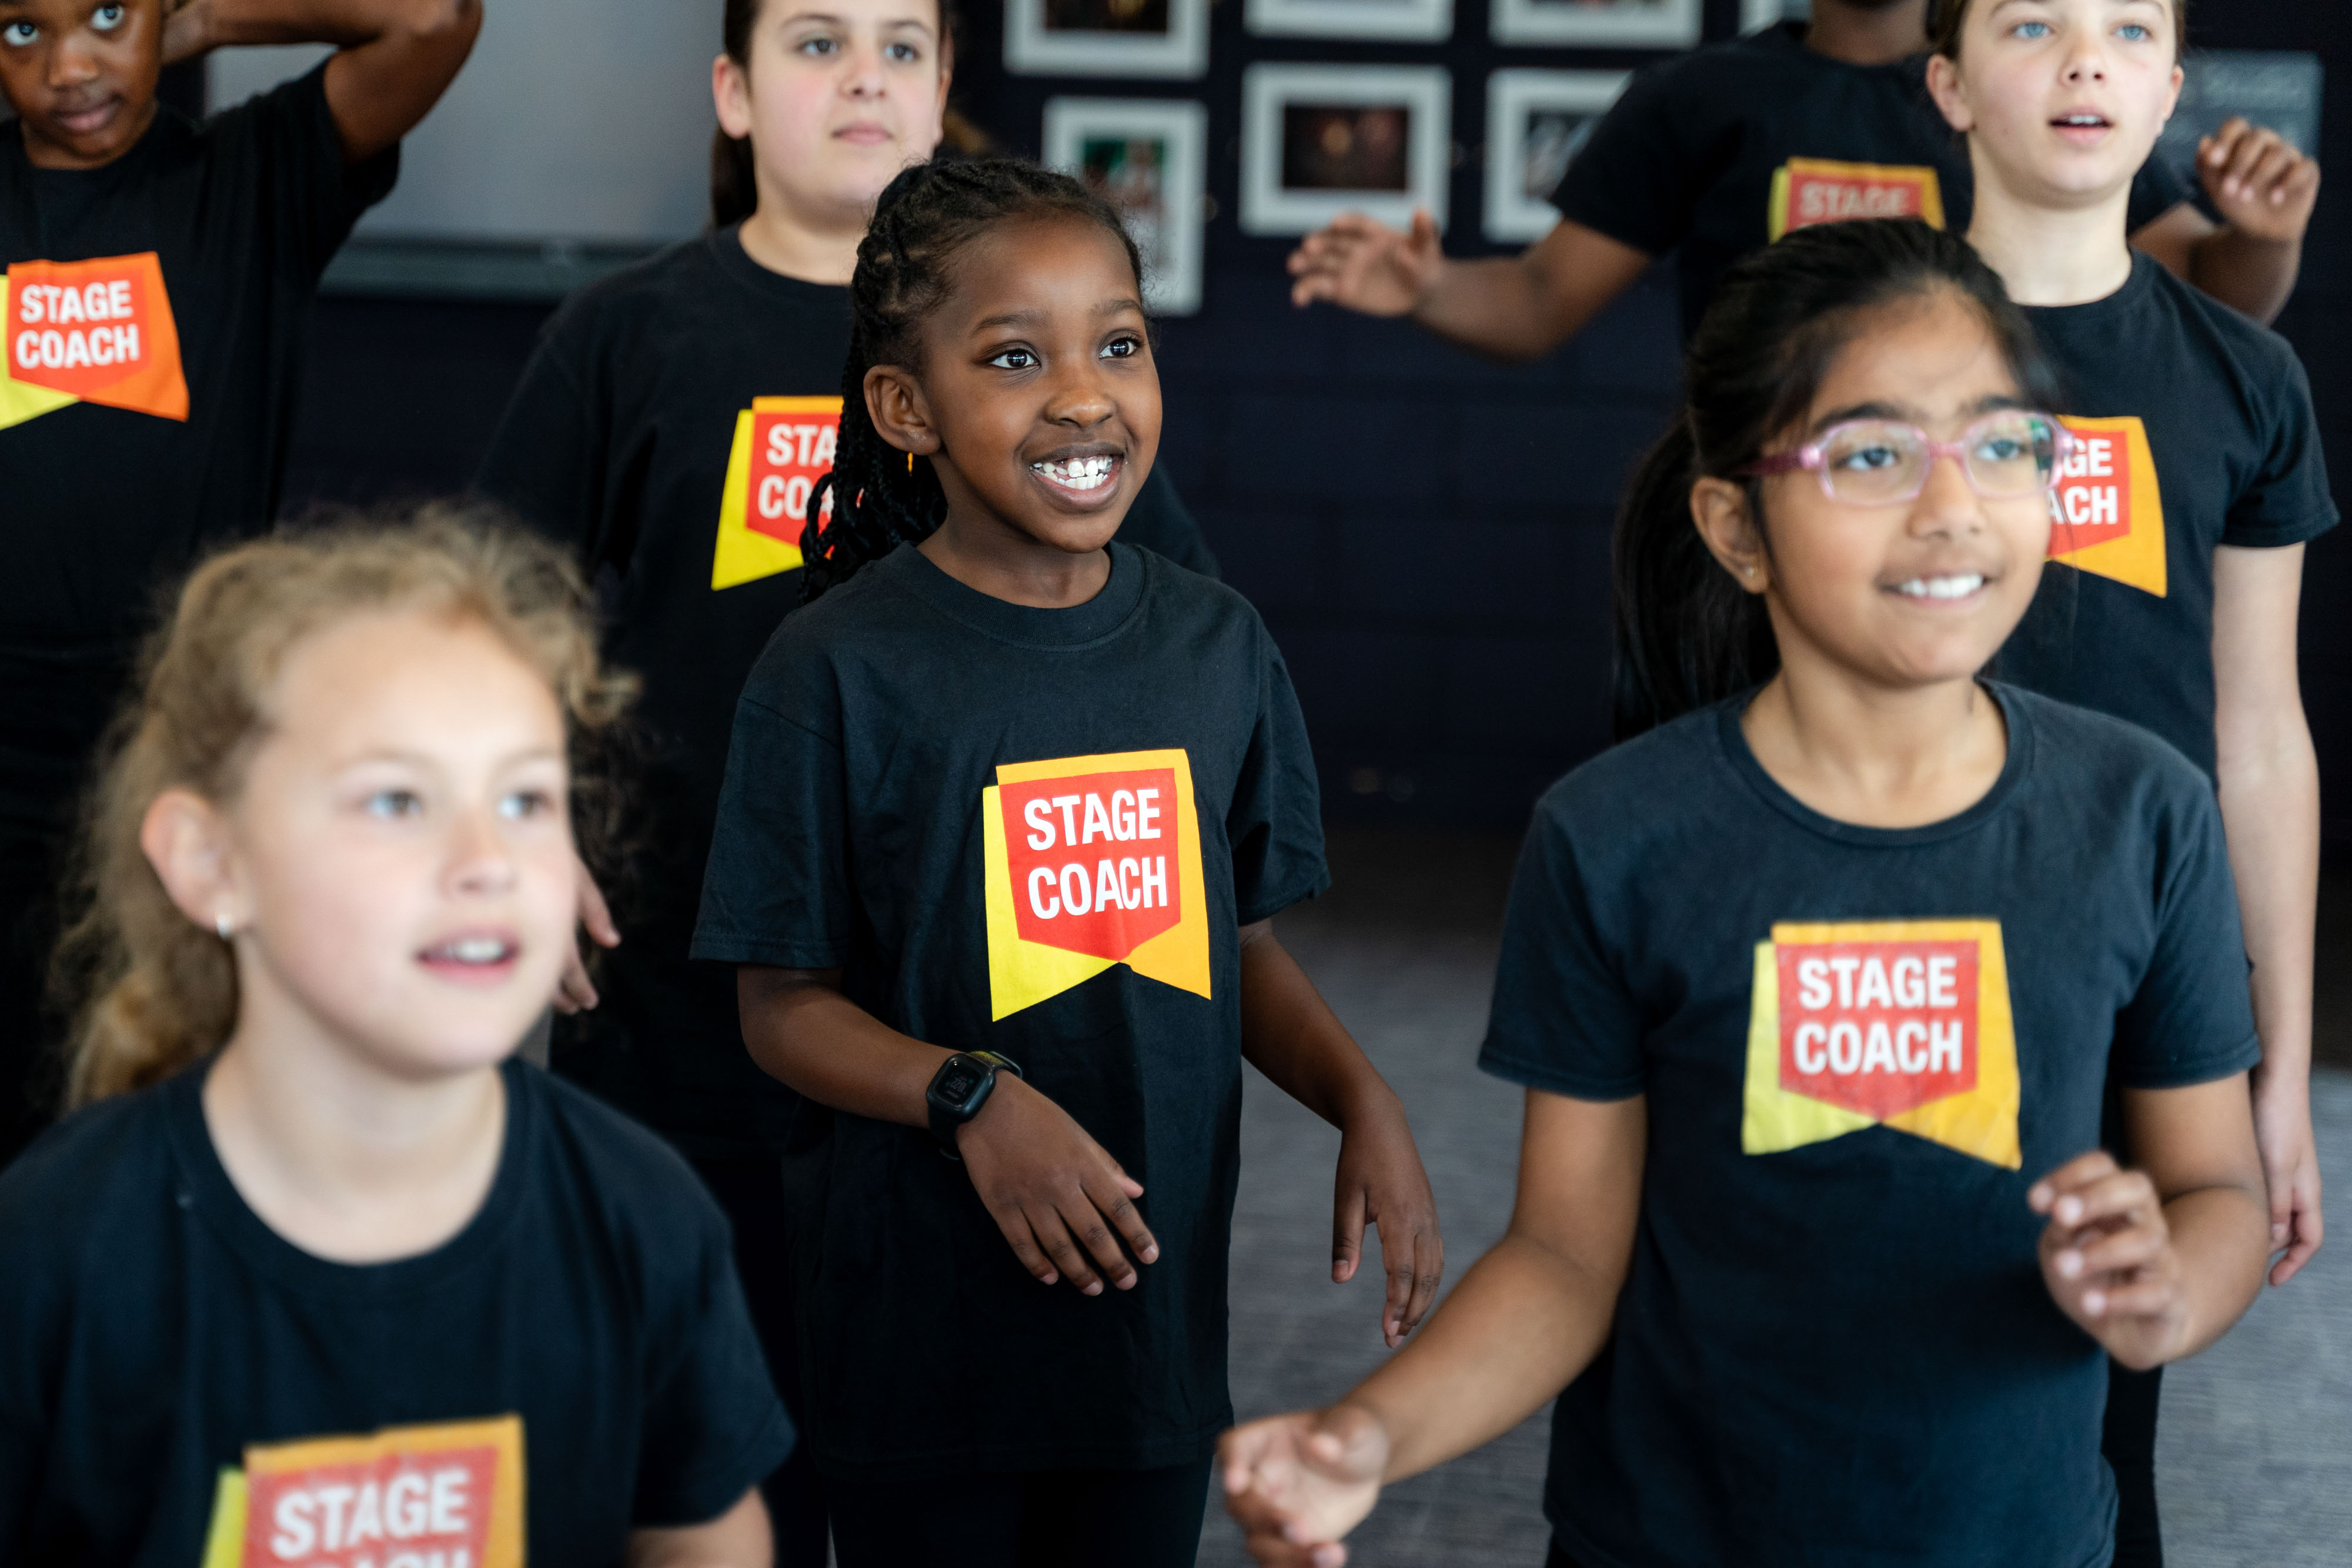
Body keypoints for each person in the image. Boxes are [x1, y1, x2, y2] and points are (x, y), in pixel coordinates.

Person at [1218, 218, 2273, 1568]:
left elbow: (2214, 1188)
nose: (1951, 506)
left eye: (2004, 444)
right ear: (1734, 526)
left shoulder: (2142, 815)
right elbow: (1562, 1256)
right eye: (1871, 454)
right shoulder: (1613, 837)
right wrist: (1365, 1434)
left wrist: (2168, 1289)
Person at [472, 8, 1217, 1551]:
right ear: (734, 92)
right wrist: (513, 825)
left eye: (900, 46)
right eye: (817, 43)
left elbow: (1169, 646)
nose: (864, 76)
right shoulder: (626, 333)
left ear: (945, 94)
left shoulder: (1035, 365)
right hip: (681, 1003)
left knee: (923, 1474)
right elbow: (474, 618)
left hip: (954, 1033)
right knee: (707, 1473)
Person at [689, 156, 1441, 1568]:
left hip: (1147, 1344)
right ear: (905, 408)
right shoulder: (832, 668)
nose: (1085, 395)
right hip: (923, 1349)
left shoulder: (1216, 645)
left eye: (1119, 344)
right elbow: (778, 1007)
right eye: (1014, 357)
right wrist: (970, 1096)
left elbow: (1239, 943)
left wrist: (1362, 1094)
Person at [0, 514, 794, 1566]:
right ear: (209, 863)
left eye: (524, 798)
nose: (486, 858)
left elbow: (705, 1537)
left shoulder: (638, 1215)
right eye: (395, 800)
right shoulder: (56, 1254)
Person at [1921, 3, 2331, 1562]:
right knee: (1842, 1393)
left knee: (2093, 1419)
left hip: (2125, 971)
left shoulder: (2242, 376)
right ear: (1950, 83)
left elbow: (2258, 730)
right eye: (2031, 23)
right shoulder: (1838, 338)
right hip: (1874, 937)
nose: (2084, 59)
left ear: (2168, 86)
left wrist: (2273, 1064)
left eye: (2126, 29)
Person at [0, 0, 481, 1166]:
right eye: (22, 31)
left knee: (171, 1125)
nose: (70, 64)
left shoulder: (252, 176)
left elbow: (431, 17)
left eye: (105, 14)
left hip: (183, 745)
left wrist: (203, 17)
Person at [1282, 0, 2317, 356]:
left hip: (1959, 504)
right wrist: (1428, 286)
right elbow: (1541, 299)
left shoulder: (2016, 86)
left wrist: (2266, 236)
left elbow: (2213, 291)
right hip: (1742, 518)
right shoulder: (1699, 98)